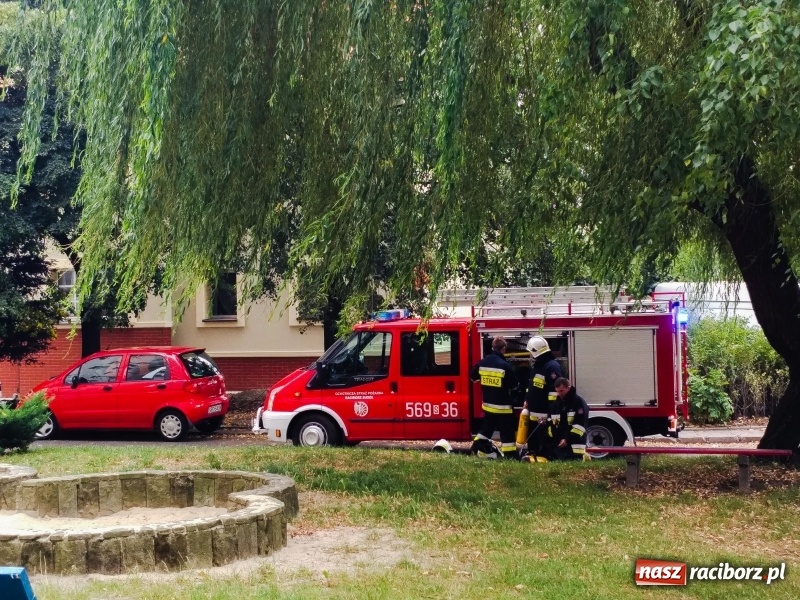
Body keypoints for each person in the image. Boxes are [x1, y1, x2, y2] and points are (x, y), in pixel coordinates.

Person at [469, 336, 519, 459]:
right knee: (507, 433)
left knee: (487, 428)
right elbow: (514, 386)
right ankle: (510, 455)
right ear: (503, 349)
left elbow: (473, 378)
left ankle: (476, 445)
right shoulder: (505, 366)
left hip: (488, 405)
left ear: (492, 348)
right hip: (503, 407)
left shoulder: (483, 362)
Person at [523, 336, 563, 459]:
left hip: (544, 416)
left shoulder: (552, 367)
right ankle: (533, 455)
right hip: (534, 414)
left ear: (536, 351)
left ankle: (544, 457)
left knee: (544, 442)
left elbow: (555, 392)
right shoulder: (537, 367)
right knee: (534, 442)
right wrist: (527, 399)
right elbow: (531, 387)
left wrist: (550, 414)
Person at [552, 377, 590, 460]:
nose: (559, 394)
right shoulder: (557, 404)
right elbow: (554, 423)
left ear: (568, 388)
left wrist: (567, 439)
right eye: (557, 391)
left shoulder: (578, 402)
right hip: (560, 446)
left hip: (575, 446)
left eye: (561, 391)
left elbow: (580, 426)